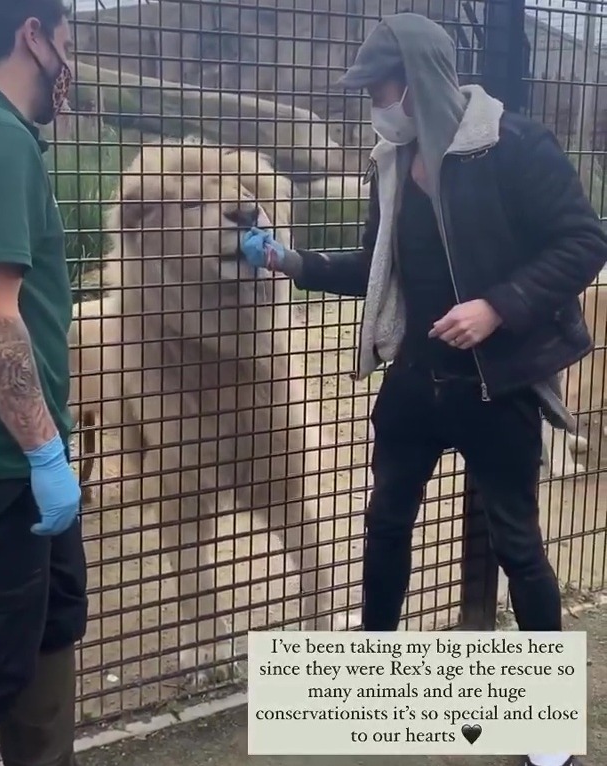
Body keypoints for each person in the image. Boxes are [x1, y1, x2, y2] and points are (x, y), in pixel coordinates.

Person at [241, 13, 607, 766]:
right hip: (415, 380)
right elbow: (377, 266)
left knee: (520, 546)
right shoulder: (393, 162)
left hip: (495, 387)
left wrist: (497, 304)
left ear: (416, 80)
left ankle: (545, 734)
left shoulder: (515, 148)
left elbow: (584, 240)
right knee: (385, 527)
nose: (372, 100)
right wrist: (289, 261)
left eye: (379, 85)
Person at [0, 2, 86, 765]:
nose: (70, 68)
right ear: (33, 36)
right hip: (0, 477)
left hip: (20, 469)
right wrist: (45, 455)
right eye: (68, 44)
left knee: (49, 642)